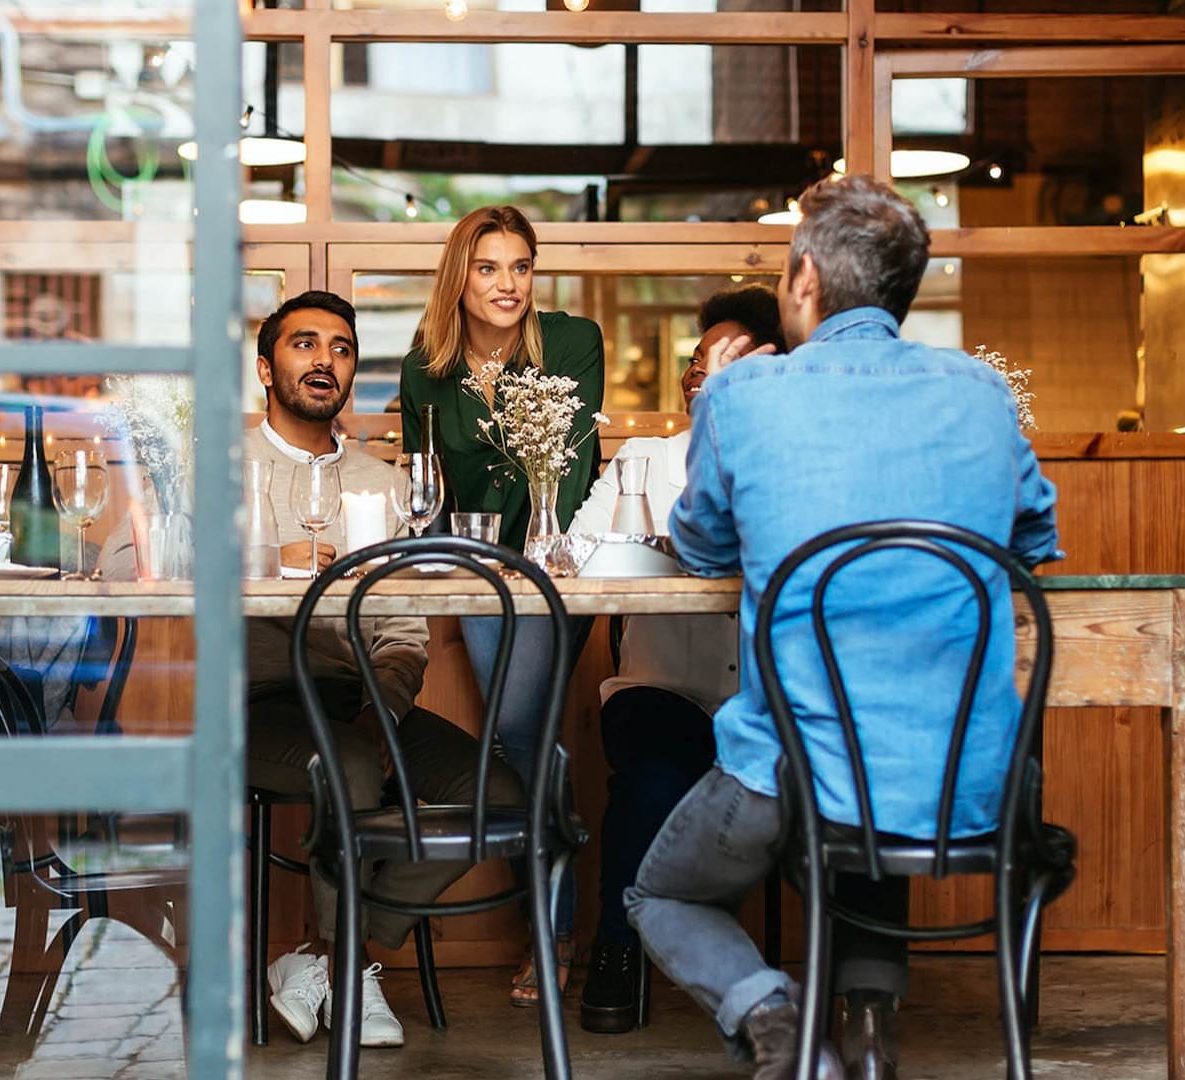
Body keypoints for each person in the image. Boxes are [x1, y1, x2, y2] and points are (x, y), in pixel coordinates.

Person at [626, 175, 1060, 1080]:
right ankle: (867, 1028)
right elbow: (1036, 535)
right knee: (873, 786)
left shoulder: (745, 396)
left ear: (807, 281)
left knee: (661, 891)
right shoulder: (981, 391)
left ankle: (775, 1021)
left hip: (788, 771)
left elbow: (703, 546)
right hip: (966, 773)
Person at [102, 291, 523, 1049]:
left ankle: (326, 959)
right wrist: (263, 561)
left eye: (340, 347)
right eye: (304, 344)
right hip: (251, 699)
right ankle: (352, 974)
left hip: (358, 696)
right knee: (352, 767)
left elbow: (403, 630)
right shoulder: (216, 467)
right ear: (266, 367)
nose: (324, 359)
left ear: (353, 372)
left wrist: (384, 705)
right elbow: (122, 560)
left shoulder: (387, 483)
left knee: (504, 795)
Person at [399, 205, 604, 1005]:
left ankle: (552, 933)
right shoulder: (427, 363)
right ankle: (556, 926)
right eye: (489, 267)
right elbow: (429, 485)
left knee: (522, 733)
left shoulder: (573, 341)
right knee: (524, 740)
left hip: (558, 568)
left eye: (520, 266)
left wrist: (537, 559)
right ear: (461, 275)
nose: (508, 283)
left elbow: (576, 461)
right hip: (476, 574)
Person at [565, 284, 782, 1035]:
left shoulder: (794, 465)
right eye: (696, 363)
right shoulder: (647, 460)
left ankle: (825, 979)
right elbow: (583, 554)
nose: (700, 374)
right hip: (663, 687)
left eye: (724, 359)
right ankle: (615, 953)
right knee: (652, 778)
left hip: (768, 700)